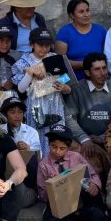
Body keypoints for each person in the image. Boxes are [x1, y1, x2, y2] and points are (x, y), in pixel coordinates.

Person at [11, 28, 70, 157]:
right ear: (32, 44)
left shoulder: (55, 58)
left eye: (47, 45)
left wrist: (65, 87)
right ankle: (39, 166)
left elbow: (66, 78)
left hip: (55, 103)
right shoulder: (24, 62)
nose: (44, 49)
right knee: (38, 135)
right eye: (40, 45)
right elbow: (21, 89)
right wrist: (30, 73)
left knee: (56, 135)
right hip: (35, 105)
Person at [64, 52, 111, 184]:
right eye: (97, 69)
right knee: (89, 164)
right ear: (88, 72)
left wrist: (103, 137)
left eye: (104, 68)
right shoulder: (77, 89)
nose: (102, 73)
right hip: (85, 141)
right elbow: (69, 118)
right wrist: (84, 139)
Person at [54, 0, 106, 80]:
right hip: (73, 79)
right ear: (72, 15)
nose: (86, 14)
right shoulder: (65, 33)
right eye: (81, 12)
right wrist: (86, 64)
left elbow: (107, 56)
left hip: (99, 78)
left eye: (87, 10)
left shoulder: (100, 31)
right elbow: (59, 62)